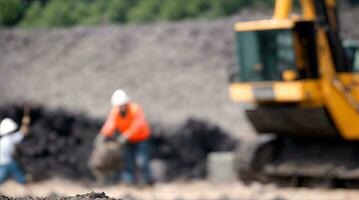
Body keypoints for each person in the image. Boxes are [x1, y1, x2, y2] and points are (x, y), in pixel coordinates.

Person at [98, 89, 153, 185]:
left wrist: (127, 135)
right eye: (119, 105)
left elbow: (138, 124)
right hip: (128, 140)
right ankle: (129, 182)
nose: (121, 107)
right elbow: (111, 123)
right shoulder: (115, 111)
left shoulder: (135, 109)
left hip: (141, 138)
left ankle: (147, 181)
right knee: (128, 161)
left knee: (141, 161)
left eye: (122, 105)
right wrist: (103, 134)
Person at [0, 116, 30, 185]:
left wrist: (25, 123)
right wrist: (25, 124)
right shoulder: (8, 140)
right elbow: (21, 134)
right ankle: (24, 182)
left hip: (5, 161)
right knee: (14, 171)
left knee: (15, 171)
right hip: (6, 162)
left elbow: (20, 134)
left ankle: (23, 181)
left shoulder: (5, 139)